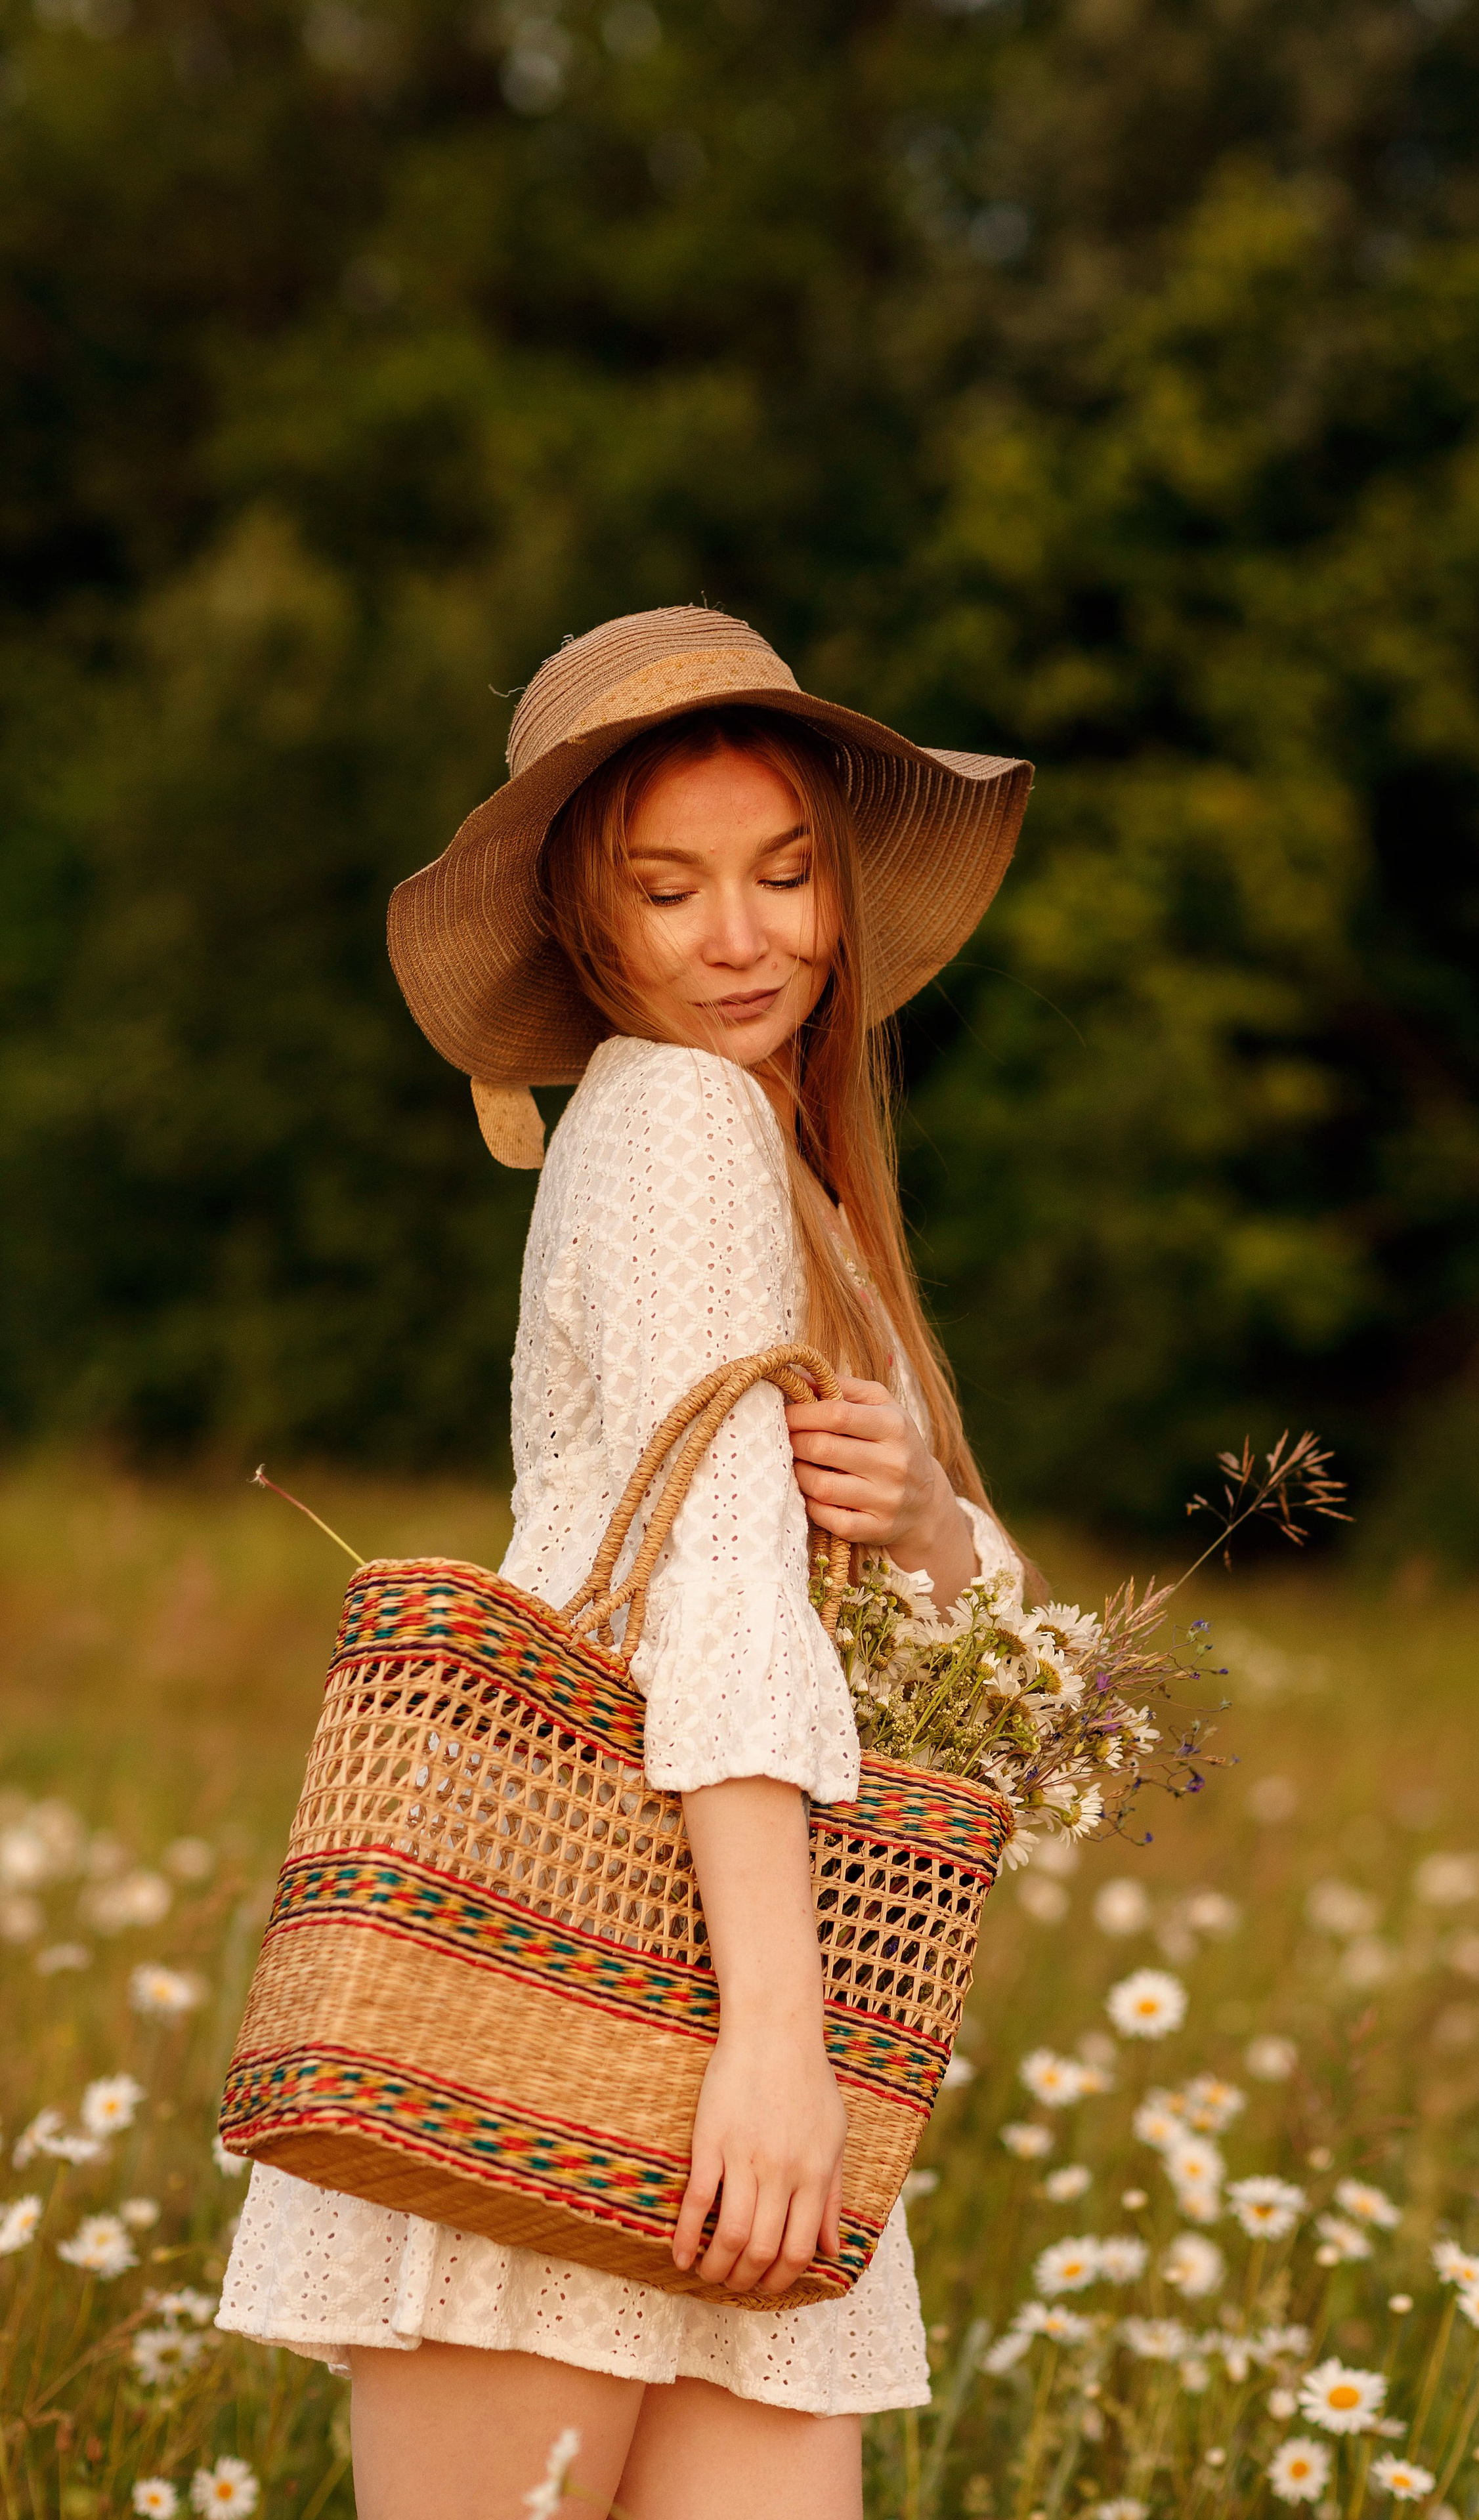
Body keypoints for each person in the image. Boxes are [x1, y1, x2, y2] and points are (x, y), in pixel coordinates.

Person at [215, 606, 1034, 2519]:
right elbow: (717, 1594)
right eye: (674, 892)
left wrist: (922, 1514)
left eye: (784, 874)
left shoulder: (802, 1172)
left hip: (666, 2002)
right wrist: (777, 2045)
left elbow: (996, 1666)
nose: (744, 940)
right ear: (591, 925)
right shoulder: (671, 1118)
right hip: (632, 1998)